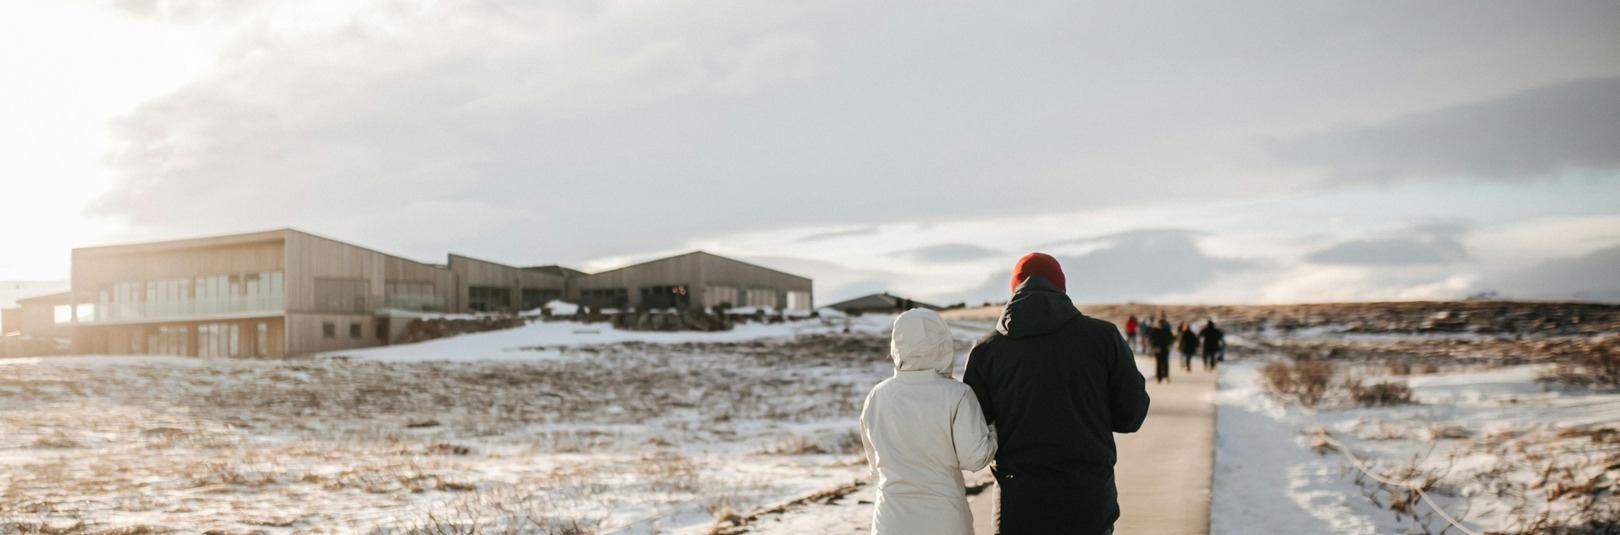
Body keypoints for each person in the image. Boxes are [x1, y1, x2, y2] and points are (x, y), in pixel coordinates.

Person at [964, 252, 1151, 535]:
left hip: (1018, 502)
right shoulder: (1103, 338)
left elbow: (974, 431)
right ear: (1061, 288)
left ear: (1013, 289)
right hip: (1087, 498)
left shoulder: (987, 351)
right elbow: (1131, 417)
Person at [861, 308, 997, 535]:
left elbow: (876, 469)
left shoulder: (877, 396)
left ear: (897, 346)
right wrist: (994, 430)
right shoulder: (958, 395)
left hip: (890, 522)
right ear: (944, 344)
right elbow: (974, 459)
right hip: (945, 521)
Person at [1149, 316, 1174, 383]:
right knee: (1158, 363)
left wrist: (1170, 345)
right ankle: (1158, 377)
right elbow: (1151, 340)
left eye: (1162, 323)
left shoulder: (1167, 331)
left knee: (1165, 363)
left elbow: (1171, 338)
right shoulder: (1154, 331)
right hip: (1157, 349)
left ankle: (1165, 376)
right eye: (1159, 323)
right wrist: (1154, 347)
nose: (1160, 325)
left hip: (1165, 348)